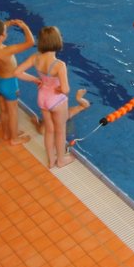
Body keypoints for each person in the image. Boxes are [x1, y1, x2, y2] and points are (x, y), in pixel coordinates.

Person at [15, 26, 85, 169]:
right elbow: (65, 89)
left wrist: (35, 80)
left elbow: (17, 72)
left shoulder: (35, 57)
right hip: (57, 101)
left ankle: (51, 160)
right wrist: (59, 89)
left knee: (49, 130)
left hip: (42, 98)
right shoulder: (59, 65)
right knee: (60, 131)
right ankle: (61, 160)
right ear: (58, 41)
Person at [0, 19, 37, 145]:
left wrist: (8, 24)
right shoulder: (6, 50)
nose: (6, 32)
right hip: (9, 83)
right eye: (5, 32)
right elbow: (30, 42)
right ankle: (14, 138)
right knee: (13, 112)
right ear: (0, 37)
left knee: (3, 109)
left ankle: (6, 133)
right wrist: (24, 26)